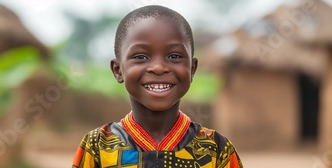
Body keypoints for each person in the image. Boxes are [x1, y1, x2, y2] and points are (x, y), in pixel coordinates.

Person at [71, 5, 243, 168]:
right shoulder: (97, 146)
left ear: (192, 69)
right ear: (118, 70)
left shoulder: (216, 150)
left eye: (174, 56)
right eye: (141, 56)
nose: (159, 67)